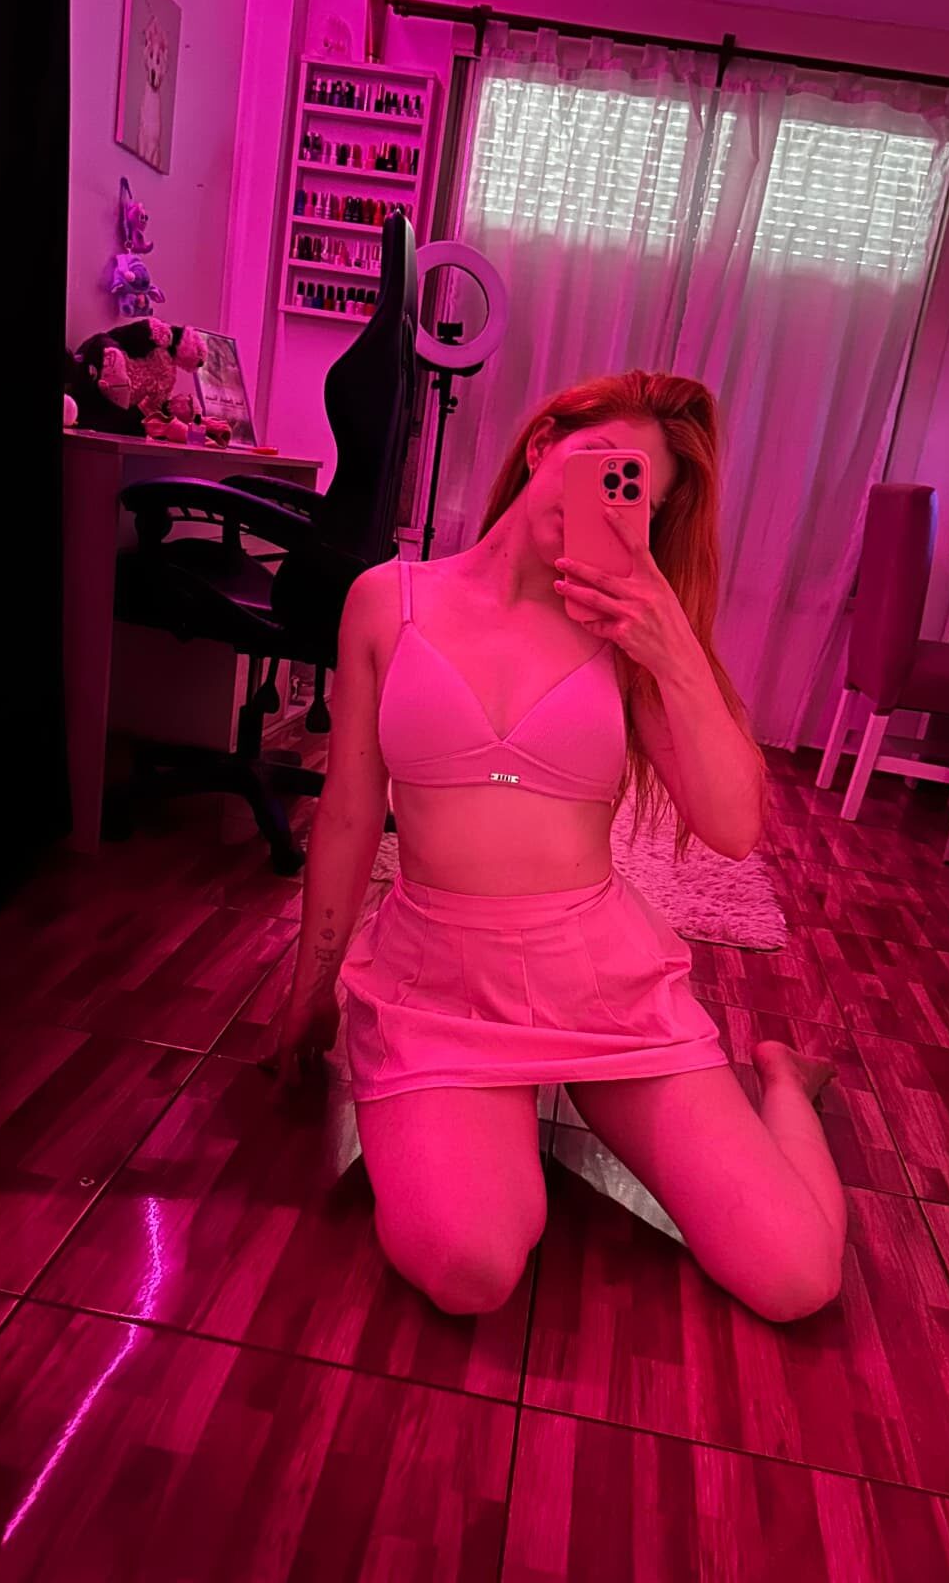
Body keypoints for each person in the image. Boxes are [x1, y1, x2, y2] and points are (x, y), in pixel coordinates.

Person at [269, 370, 846, 1325]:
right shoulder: (388, 599)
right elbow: (348, 815)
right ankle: (488, 1128)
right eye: (600, 466)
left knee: (797, 1279)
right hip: (437, 985)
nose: (609, 502)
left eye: (636, 496)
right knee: (468, 1267)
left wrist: (671, 645)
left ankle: (784, 1079)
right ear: (544, 443)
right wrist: (311, 991)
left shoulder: (628, 633)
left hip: (601, 982)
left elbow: (735, 828)